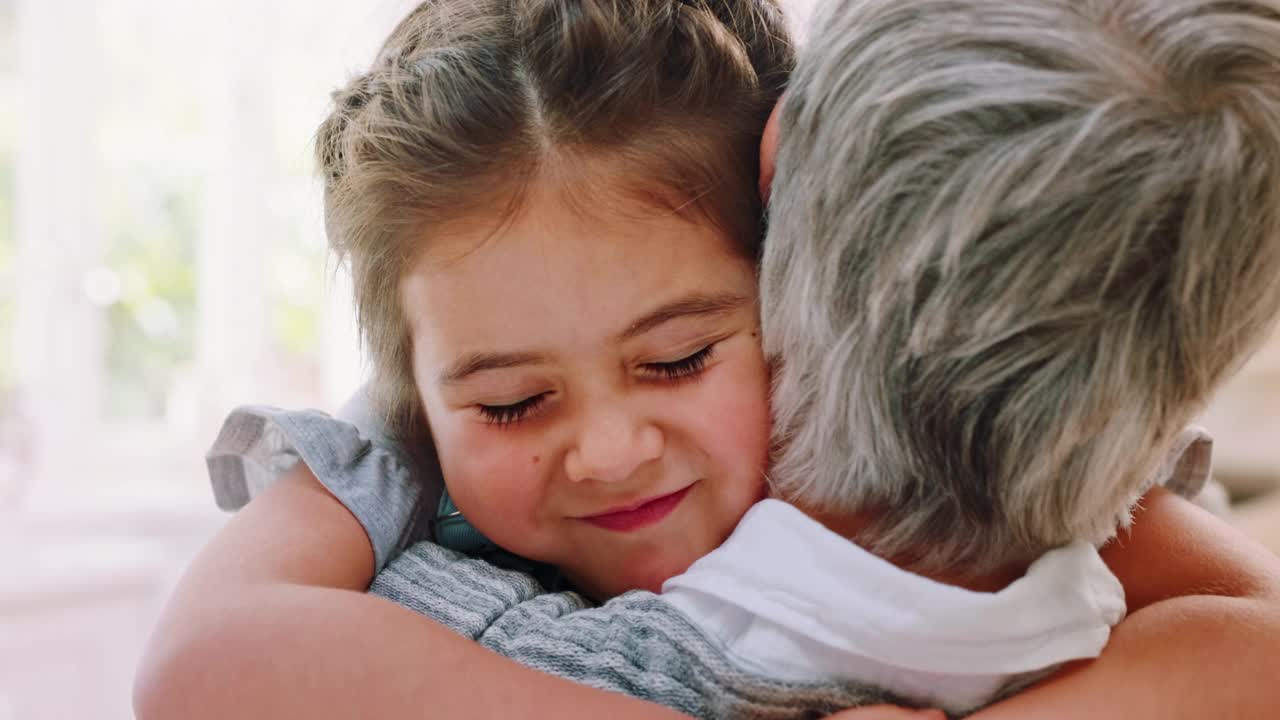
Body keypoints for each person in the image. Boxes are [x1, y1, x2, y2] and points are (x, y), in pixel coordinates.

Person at [133, 1, 1280, 719]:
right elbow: (201, 668)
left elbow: (1253, 637)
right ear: (419, 392)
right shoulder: (390, 478)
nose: (611, 448)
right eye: (512, 401)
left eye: (679, 359)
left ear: (797, 271)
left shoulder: (905, 441)